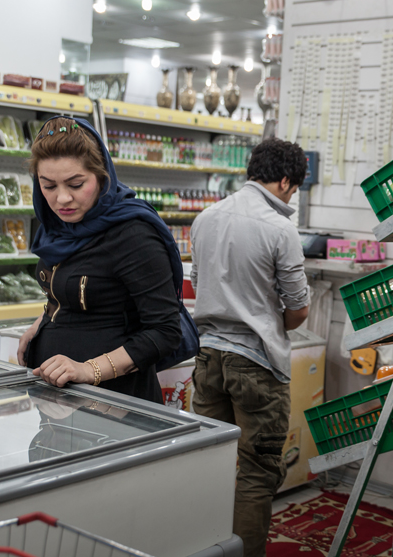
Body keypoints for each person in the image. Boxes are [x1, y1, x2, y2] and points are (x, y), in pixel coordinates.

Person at [190, 137, 310, 556]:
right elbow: (298, 311)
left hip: (206, 361)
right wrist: (263, 319)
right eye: (292, 190)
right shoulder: (280, 228)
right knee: (257, 474)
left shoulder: (205, 218)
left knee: (209, 466)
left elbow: (198, 283)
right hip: (257, 364)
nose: (290, 196)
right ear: (283, 181)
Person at [16, 116, 182, 404]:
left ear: (102, 176)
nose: (62, 198)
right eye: (49, 186)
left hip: (116, 404)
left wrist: (86, 370)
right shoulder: (57, 227)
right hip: (58, 400)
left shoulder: (132, 234)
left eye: (76, 184)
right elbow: (76, 293)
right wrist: (43, 322)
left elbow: (165, 331)